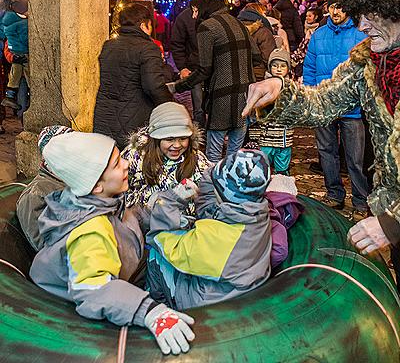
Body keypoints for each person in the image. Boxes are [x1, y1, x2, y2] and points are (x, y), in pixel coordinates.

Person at [242, 0, 400, 287]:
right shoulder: (367, 64)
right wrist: (280, 90)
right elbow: (323, 101)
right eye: (361, 16)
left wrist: (392, 223)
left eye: (372, 16)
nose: (362, 27)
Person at [29, 130, 195, 355]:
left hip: (128, 272)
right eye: (117, 164)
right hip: (79, 314)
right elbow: (95, 290)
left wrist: (171, 199)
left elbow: (131, 220)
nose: (127, 164)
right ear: (96, 185)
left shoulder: (101, 200)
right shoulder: (90, 232)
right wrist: (151, 312)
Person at [146, 149, 272, 309]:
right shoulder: (257, 210)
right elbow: (216, 194)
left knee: (155, 254)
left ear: (221, 194)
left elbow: (159, 237)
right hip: (236, 289)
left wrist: (171, 198)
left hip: (206, 302)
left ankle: (159, 307)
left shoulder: (216, 238)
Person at [169, 0, 260, 164]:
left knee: (213, 155)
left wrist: (179, 86)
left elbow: (204, 69)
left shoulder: (207, 27)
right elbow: (256, 57)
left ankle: (212, 187)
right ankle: (230, 186)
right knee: (234, 154)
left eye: (195, 10)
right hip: (244, 97)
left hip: (222, 98)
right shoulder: (239, 23)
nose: (194, 15)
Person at [303, 0, 368, 217]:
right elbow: (309, 67)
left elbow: (366, 71)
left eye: (341, 7)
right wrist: (311, 95)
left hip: (352, 107)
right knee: (327, 153)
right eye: (332, 6)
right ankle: (334, 195)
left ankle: (361, 201)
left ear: (348, 8)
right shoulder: (319, 35)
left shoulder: (361, 34)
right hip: (324, 105)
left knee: (355, 159)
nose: (336, 11)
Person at [93, 2, 172, 150]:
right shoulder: (148, 48)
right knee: (134, 165)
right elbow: (153, 87)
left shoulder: (108, 45)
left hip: (104, 116)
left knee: (109, 163)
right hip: (134, 119)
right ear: (144, 25)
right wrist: (170, 105)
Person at [123, 102, 210, 216]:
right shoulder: (136, 157)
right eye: (169, 139)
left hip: (185, 226)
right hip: (146, 224)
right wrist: (154, 200)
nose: (177, 145)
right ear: (156, 139)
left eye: (183, 138)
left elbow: (207, 193)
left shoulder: (197, 158)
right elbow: (120, 194)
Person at [249, 49, 294, 175]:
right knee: (263, 165)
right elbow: (256, 111)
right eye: (275, 66)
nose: (279, 69)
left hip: (284, 136)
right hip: (266, 136)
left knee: (282, 166)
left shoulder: (291, 87)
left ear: (288, 68)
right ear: (269, 67)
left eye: (283, 66)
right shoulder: (263, 86)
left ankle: (281, 187)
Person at [170, 0, 206, 126]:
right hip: (195, 68)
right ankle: (200, 136)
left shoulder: (213, 16)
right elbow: (177, 44)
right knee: (199, 107)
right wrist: (182, 67)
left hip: (214, 69)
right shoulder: (184, 18)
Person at [0, 0, 29, 110]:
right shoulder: (19, 23)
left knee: (16, 75)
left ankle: (10, 97)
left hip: (15, 56)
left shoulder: (9, 19)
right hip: (19, 55)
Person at [237, 3, 276, 80]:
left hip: (237, 73)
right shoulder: (263, 32)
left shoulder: (235, 29)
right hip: (258, 76)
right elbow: (268, 57)